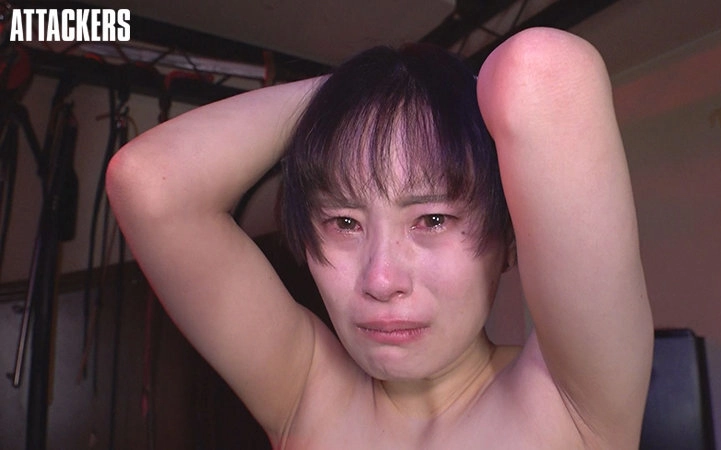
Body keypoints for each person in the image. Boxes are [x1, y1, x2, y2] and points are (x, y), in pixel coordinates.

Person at [107, 27, 653, 449]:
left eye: (432, 220)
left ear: (508, 240)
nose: (381, 279)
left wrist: (404, 94)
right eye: (344, 223)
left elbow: (544, 70)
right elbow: (148, 184)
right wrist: (357, 97)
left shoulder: (570, 402)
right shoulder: (304, 393)